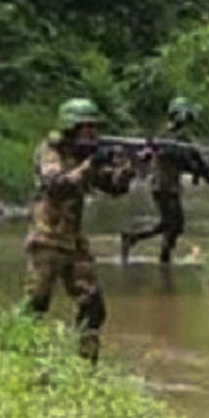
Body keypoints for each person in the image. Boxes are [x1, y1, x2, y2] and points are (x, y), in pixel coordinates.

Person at [26, 98, 135, 363]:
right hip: (47, 239)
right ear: (70, 128)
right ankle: (21, 358)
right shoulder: (50, 151)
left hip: (75, 244)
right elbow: (56, 185)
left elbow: (112, 188)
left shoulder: (83, 156)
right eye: (86, 128)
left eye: (94, 128)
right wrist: (89, 165)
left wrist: (126, 170)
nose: (92, 134)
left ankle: (86, 365)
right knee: (35, 306)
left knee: (93, 306)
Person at [120, 97, 195, 265]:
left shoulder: (175, 137)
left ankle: (136, 239)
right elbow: (150, 153)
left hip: (168, 185)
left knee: (171, 224)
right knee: (174, 224)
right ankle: (161, 256)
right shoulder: (167, 136)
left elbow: (189, 160)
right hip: (163, 185)